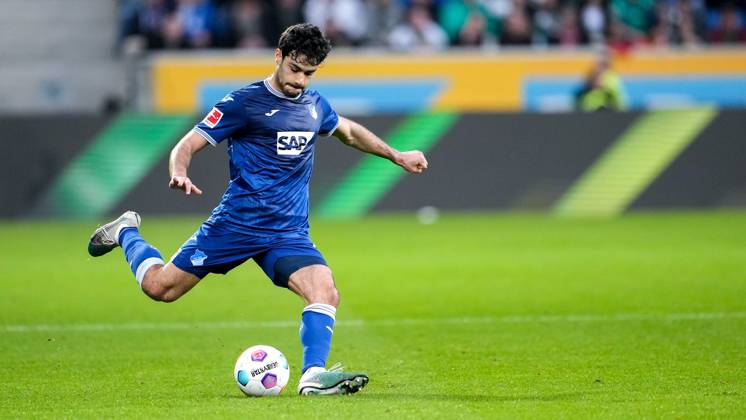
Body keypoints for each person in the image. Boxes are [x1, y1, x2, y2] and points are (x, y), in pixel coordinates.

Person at [87, 23, 428, 395]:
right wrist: (179, 171)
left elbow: (348, 131)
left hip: (287, 233)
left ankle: (313, 375)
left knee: (325, 291)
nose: (300, 80)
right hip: (236, 224)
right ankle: (125, 231)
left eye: (309, 73)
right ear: (278, 57)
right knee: (160, 288)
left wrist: (397, 155)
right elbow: (188, 143)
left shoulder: (315, 106)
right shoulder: (243, 103)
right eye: (295, 69)